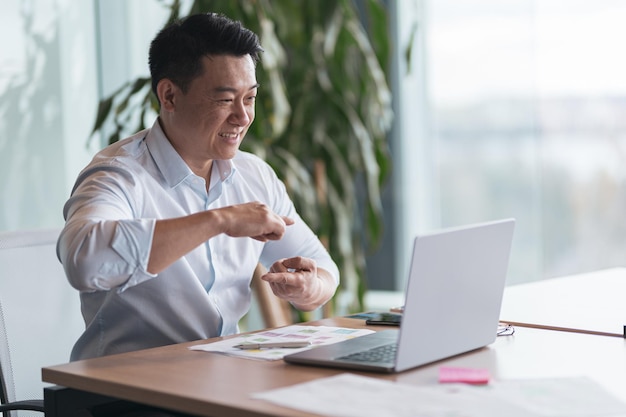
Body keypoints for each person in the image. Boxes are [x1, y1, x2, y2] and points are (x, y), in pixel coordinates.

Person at [57, 12, 339, 361]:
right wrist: (219, 221)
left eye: (249, 98)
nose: (243, 116)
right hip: (126, 394)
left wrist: (310, 287)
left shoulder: (255, 175)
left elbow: (322, 266)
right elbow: (84, 260)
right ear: (170, 95)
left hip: (219, 376)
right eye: (224, 100)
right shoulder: (118, 174)